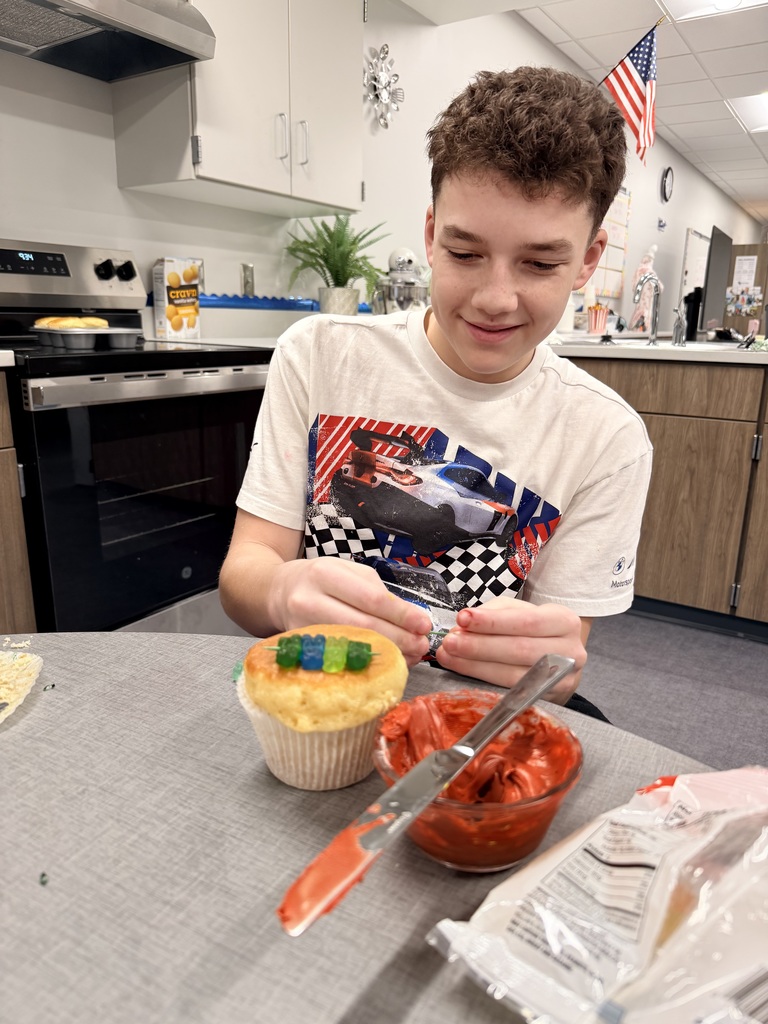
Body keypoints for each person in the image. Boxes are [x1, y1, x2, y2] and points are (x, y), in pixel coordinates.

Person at [219, 66, 652, 713]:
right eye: (465, 253)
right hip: (318, 692)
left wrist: (554, 664)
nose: (495, 299)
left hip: (469, 713)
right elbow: (245, 573)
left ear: (589, 259)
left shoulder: (606, 440)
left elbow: (556, 658)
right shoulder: (318, 355)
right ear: (429, 235)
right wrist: (280, 590)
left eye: (539, 263)